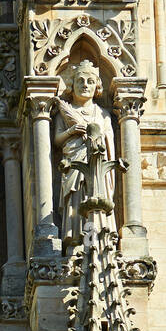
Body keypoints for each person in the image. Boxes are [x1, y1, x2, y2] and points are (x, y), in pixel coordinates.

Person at [53, 59, 116, 247]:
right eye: (80, 81)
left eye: (90, 81)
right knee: (75, 196)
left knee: (95, 196)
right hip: (74, 163)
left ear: (97, 85)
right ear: (72, 85)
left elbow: (109, 142)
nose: (85, 85)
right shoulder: (65, 112)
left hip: (96, 165)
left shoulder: (102, 113)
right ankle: (76, 240)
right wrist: (71, 132)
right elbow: (57, 140)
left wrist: (97, 141)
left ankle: (97, 239)